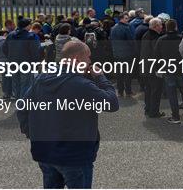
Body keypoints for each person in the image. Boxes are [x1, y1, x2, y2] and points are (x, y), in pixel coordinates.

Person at [17, 41, 119, 189]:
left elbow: (22, 107)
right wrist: (100, 77)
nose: (90, 61)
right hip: (74, 155)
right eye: (88, 57)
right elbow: (112, 103)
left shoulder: (41, 79)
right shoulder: (81, 84)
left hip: (45, 152)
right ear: (77, 59)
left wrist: (31, 134)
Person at [154, 19, 183, 123]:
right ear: (176, 27)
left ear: (166, 28)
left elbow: (157, 56)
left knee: (172, 94)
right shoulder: (182, 38)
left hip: (168, 70)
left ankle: (175, 117)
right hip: (182, 69)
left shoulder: (161, 40)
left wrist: (158, 69)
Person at [3, 18, 41, 99]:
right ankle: (23, 104)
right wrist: (37, 63)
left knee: (16, 84)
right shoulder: (31, 36)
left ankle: (18, 101)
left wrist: (10, 57)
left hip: (13, 63)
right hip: (26, 64)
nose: (31, 26)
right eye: (30, 24)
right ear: (27, 26)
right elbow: (35, 52)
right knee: (26, 84)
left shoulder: (10, 35)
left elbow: (5, 49)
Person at [139, 18, 164, 118]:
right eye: (160, 25)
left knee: (148, 89)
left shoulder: (145, 35)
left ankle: (148, 108)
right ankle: (154, 112)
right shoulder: (155, 38)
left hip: (145, 66)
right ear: (155, 26)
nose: (162, 26)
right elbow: (156, 54)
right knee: (156, 90)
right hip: (153, 67)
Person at [109, 12, 134, 97]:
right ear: (121, 19)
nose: (128, 20)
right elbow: (131, 42)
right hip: (127, 54)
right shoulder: (126, 28)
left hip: (116, 54)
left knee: (119, 73)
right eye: (126, 18)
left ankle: (120, 91)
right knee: (127, 73)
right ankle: (128, 91)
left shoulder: (113, 28)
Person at [0, 30, 11, 100]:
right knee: (8, 77)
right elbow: (8, 51)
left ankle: (5, 93)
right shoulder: (5, 41)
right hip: (6, 60)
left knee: (3, 77)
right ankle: (9, 93)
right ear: (4, 34)